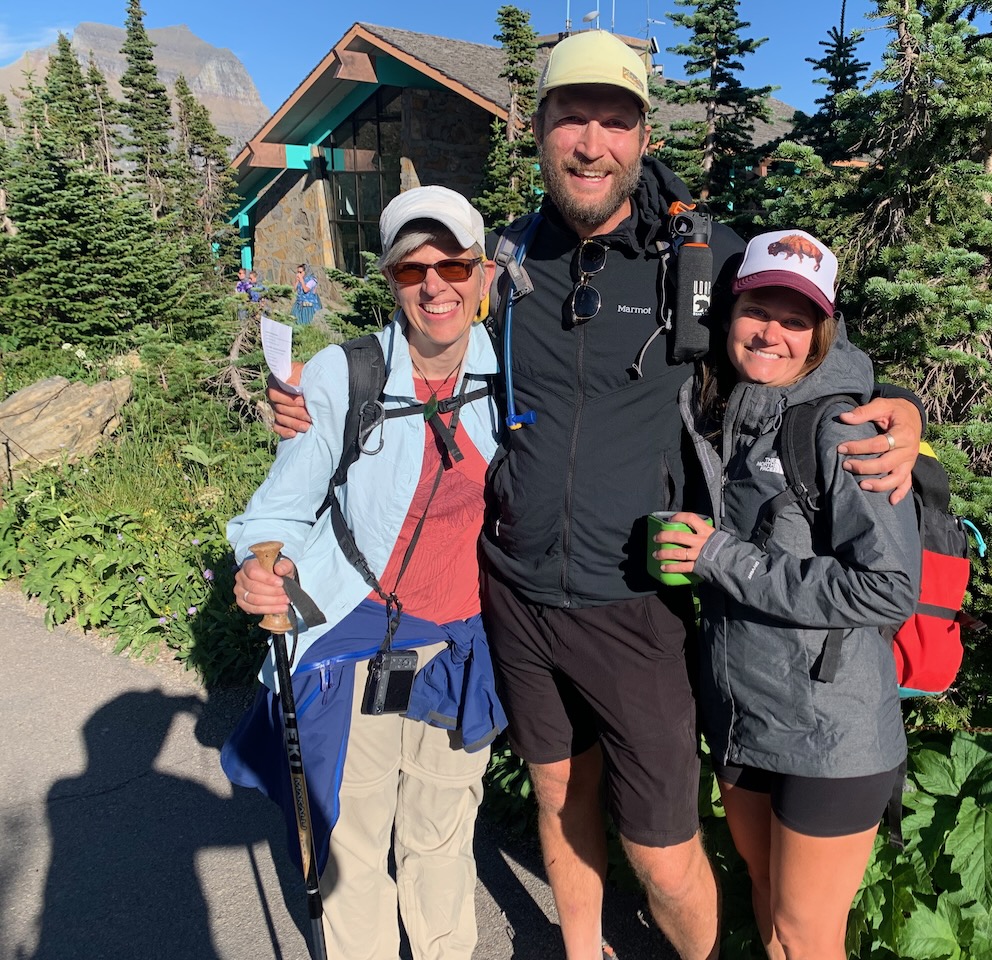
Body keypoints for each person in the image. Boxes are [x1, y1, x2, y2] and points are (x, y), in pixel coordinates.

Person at [267, 31, 925, 959]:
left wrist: (895, 404)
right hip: (519, 591)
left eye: (615, 121)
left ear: (644, 136)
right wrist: (317, 394)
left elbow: (803, 335)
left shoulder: (701, 256)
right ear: (538, 129)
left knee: (661, 851)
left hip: (638, 604)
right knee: (557, 795)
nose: (591, 142)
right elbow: (427, 329)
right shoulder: (507, 257)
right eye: (571, 118)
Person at [222, 186, 507, 960]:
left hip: (466, 644)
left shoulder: (514, 371)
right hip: (358, 639)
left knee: (443, 835)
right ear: (390, 280)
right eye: (412, 270)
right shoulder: (344, 375)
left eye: (453, 265)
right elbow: (279, 510)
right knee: (352, 839)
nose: (435, 285)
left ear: (482, 274)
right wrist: (265, 569)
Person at [653, 230, 918, 959]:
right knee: (768, 905)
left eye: (796, 320)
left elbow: (888, 588)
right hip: (744, 714)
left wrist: (720, 557)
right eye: (757, 311)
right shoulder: (717, 410)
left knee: (805, 939)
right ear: (729, 313)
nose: (772, 333)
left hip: (832, 731)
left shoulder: (844, 429)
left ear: (821, 334)